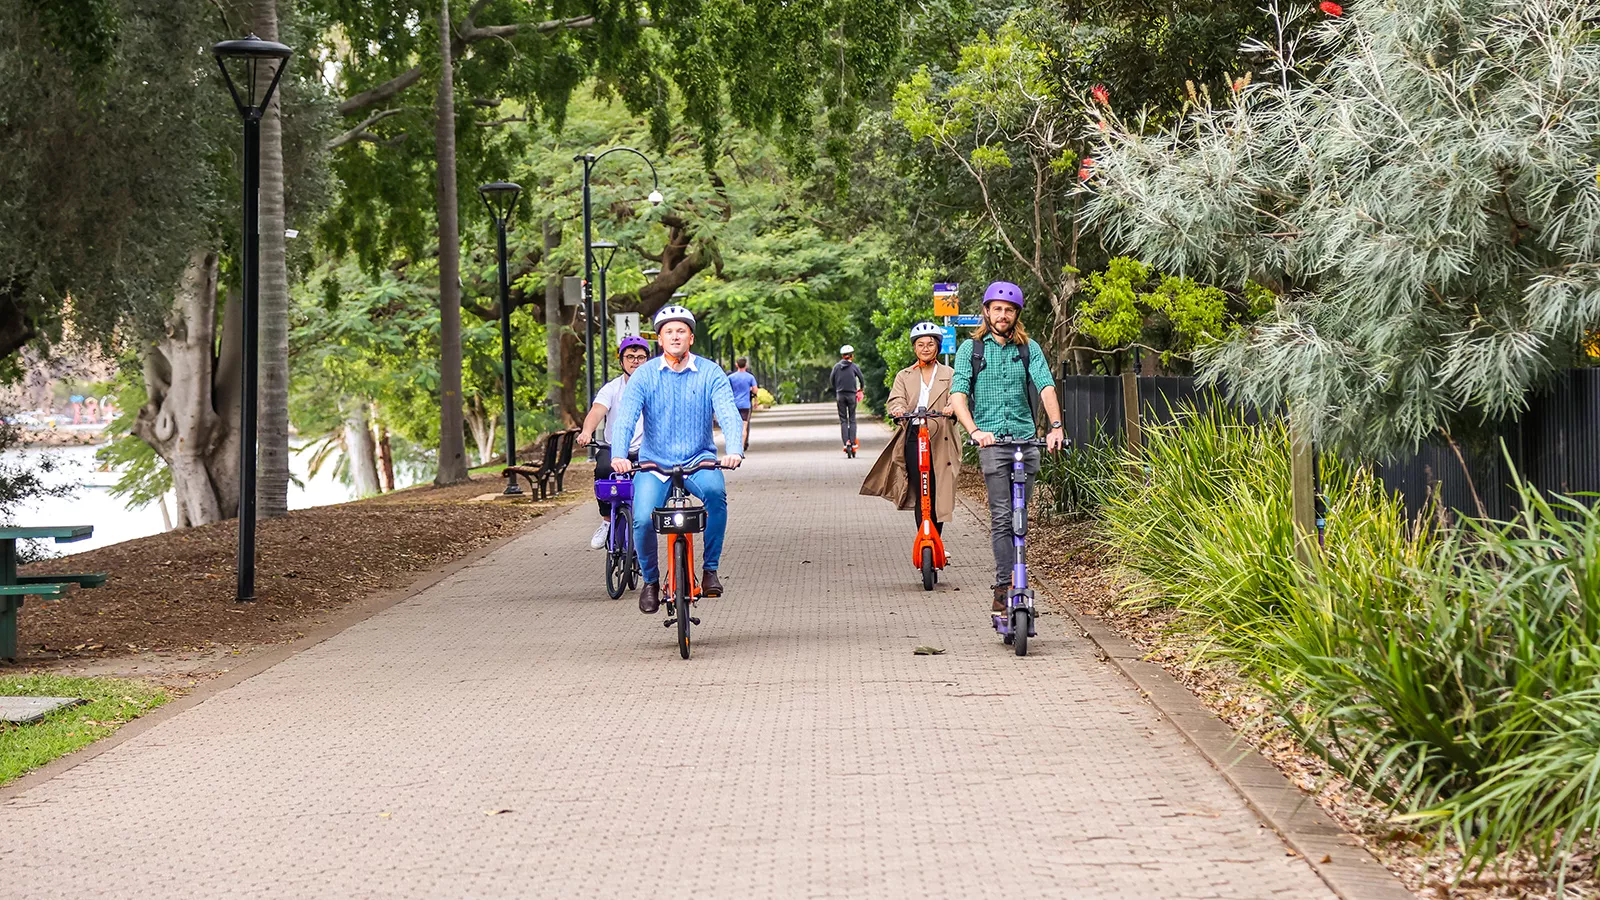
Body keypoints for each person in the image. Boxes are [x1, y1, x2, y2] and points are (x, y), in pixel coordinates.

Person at [609, 306, 745, 614]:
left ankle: (710, 570)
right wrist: (619, 455)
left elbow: (728, 413)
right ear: (659, 339)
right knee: (642, 518)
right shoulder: (643, 375)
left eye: (681, 331)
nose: (675, 336)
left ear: (691, 338)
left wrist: (733, 450)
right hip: (654, 464)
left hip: (699, 460)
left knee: (715, 495)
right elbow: (625, 419)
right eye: (668, 331)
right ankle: (651, 582)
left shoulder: (711, 373)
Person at [949, 281, 1067, 613]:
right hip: (992, 445)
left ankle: (1019, 580)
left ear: (1016, 315)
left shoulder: (1029, 349)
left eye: (1009, 310)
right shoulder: (971, 350)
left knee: (1020, 515)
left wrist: (1055, 427)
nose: (1003, 315)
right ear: (986, 312)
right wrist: (974, 430)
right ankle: (1004, 586)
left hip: (1026, 442)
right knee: (1002, 516)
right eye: (997, 309)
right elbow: (958, 394)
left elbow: (1045, 386)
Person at [861, 322, 960, 534]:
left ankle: (936, 540)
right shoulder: (904, 376)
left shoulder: (950, 373)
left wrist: (952, 406)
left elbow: (958, 396)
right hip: (915, 436)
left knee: (937, 490)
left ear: (938, 347)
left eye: (930, 344)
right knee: (921, 489)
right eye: (920, 344)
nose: (925, 348)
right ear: (914, 348)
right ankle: (924, 538)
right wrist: (898, 409)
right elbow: (896, 400)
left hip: (941, 436)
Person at [576, 336, 652, 549]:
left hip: (646, 450)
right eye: (630, 357)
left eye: (640, 357)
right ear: (621, 361)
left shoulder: (655, 386)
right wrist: (587, 431)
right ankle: (606, 521)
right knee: (602, 469)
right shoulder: (612, 388)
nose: (635, 361)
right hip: (615, 448)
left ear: (648, 360)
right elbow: (597, 411)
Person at [829, 345, 865, 456]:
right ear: (852, 356)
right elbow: (861, 379)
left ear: (842, 356)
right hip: (851, 395)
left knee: (843, 420)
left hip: (840, 395)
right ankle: (853, 443)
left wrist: (838, 389)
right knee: (852, 419)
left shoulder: (836, 367)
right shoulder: (854, 367)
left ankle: (846, 443)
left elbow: (832, 380)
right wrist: (860, 389)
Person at [727, 357, 759, 452]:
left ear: (736, 365)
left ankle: (733, 446)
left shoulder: (731, 377)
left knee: (734, 425)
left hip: (734, 405)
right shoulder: (750, 377)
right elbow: (755, 390)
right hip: (745, 405)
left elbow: (726, 389)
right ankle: (741, 447)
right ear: (746, 365)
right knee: (744, 426)